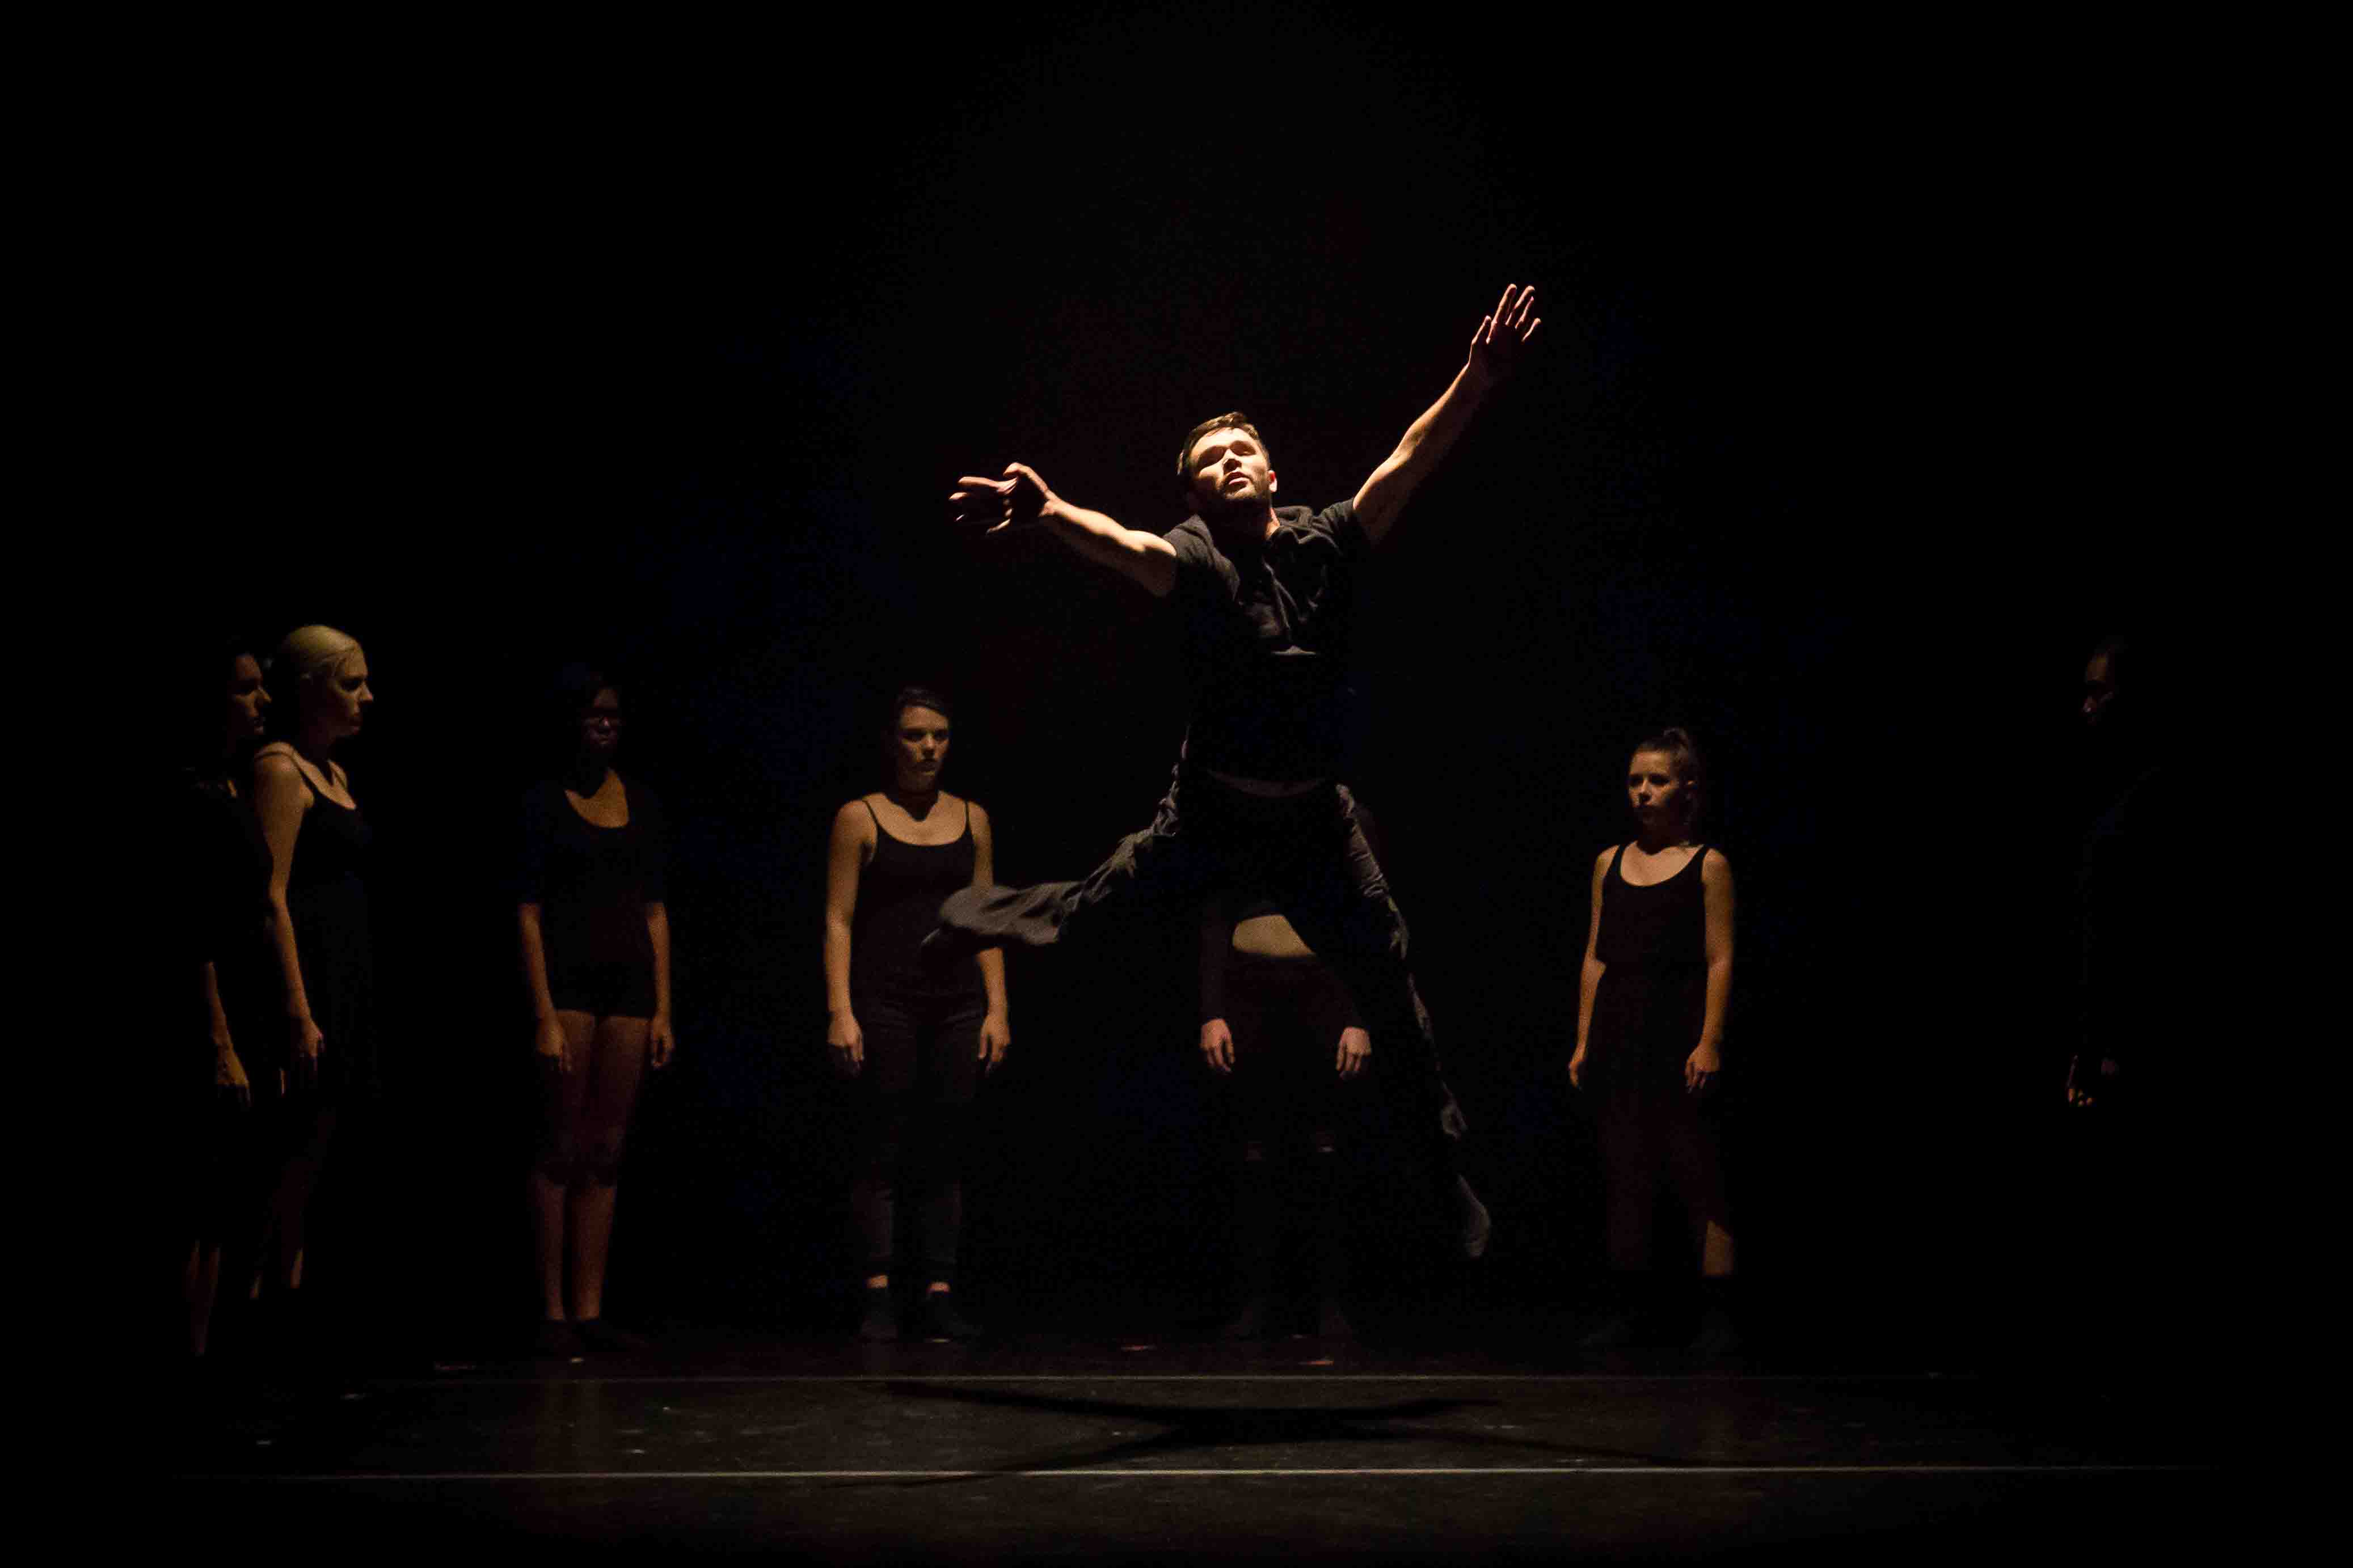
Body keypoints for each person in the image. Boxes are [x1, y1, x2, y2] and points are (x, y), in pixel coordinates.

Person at [939, 284, 1541, 1257]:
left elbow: (1407, 461)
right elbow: (1126, 548)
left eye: (1240, 449)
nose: (1227, 460)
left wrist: (1476, 380)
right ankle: (978, 916)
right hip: (1211, 814)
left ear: (1270, 471)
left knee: (1392, 990)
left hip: (1314, 825)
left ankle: (1446, 1178)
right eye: (1208, 460)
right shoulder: (1192, 557)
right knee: (1093, 909)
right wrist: (1049, 512)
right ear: (1193, 495)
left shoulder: (1325, 541)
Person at [824, 687, 1010, 1341]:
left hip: (957, 1002)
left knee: (945, 1144)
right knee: (883, 1141)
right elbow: (838, 918)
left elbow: (985, 919)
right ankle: (877, 1290)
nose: (928, 746)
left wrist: (997, 1007)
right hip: (886, 999)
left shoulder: (973, 818)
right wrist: (840, 1009)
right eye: (914, 734)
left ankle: (938, 1289)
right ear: (891, 741)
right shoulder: (859, 817)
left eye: (939, 734)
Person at [517, 668, 675, 1356]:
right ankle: (551, 1311)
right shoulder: (543, 802)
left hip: (629, 989)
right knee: (561, 1142)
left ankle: (590, 1306)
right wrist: (543, 1012)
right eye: (592, 714)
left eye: (613, 713)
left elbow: (655, 909)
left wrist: (664, 1008)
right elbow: (526, 912)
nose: (605, 724)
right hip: (570, 986)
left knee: (607, 1148)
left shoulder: (641, 801)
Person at [1568, 728, 1738, 1353]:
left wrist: (1709, 1040)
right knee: (1626, 1171)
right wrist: (1583, 1039)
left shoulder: (1708, 864)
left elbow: (1720, 958)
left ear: (1685, 788)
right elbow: (1595, 955)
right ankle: (1629, 1308)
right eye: (1635, 780)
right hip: (1620, 1027)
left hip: (1677, 1026)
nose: (1642, 791)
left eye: (1656, 780)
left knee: (1696, 1170)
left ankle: (1718, 1315)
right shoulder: (1608, 862)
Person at [250, 624, 377, 1341]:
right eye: (350, 682)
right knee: (286, 1157)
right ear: (308, 690)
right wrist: (298, 1008)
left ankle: (290, 1313)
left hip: (345, 978)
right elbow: (270, 896)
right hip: (310, 987)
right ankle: (255, 1318)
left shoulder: (334, 773)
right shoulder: (280, 770)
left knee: (317, 1155)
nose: (367, 696)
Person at [1199, 897, 1368, 1340]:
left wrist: (1359, 1016)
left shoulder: (1344, 843)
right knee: (1253, 1150)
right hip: (1248, 988)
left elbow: (1365, 917)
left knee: (1327, 1150)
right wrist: (1212, 1012)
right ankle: (1255, 1299)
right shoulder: (1234, 847)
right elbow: (1215, 917)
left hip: (1323, 986)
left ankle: (1328, 1302)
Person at [170, 640, 273, 1360]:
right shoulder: (191, 796)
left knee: (227, 1197)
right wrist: (220, 1039)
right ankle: (187, 1356)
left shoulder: (234, 785)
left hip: (247, 997)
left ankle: (211, 1354)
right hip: (208, 1012)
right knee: (197, 1194)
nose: (262, 700)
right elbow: (192, 926)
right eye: (245, 689)